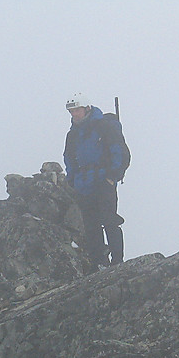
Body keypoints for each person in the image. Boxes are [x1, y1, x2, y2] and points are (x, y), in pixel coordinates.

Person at [63, 92, 129, 266]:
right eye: (71, 111)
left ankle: (117, 262)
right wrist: (73, 180)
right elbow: (69, 159)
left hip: (103, 181)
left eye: (77, 110)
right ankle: (99, 263)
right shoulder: (72, 135)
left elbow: (119, 152)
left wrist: (112, 176)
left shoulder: (104, 127)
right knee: (91, 226)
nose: (74, 114)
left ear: (86, 108)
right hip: (84, 184)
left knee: (109, 221)